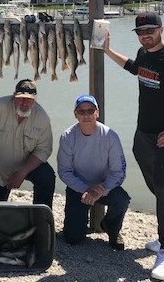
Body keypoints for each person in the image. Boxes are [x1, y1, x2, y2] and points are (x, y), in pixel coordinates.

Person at [104, 12, 164, 280]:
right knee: (158, 187)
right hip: (144, 135)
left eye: (150, 30)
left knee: (163, 187)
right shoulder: (144, 54)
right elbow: (134, 67)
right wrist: (107, 50)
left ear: (161, 29)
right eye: (141, 31)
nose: (146, 35)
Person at [57, 94, 130, 250]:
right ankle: (78, 225)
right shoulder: (67, 137)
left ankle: (111, 227)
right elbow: (64, 172)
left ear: (97, 113)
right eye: (81, 111)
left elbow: (119, 172)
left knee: (122, 199)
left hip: (104, 186)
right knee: (73, 238)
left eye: (90, 111)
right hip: (79, 188)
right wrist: (85, 188)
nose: (86, 115)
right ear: (75, 114)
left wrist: (100, 191)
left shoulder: (111, 136)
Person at [0, 79, 56, 207]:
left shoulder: (42, 117)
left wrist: (23, 172)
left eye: (29, 99)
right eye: (21, 98)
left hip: (27, 164)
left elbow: (43, 149)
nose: (24, 103)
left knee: (47, 177)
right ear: (13, 96)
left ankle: (40, 219)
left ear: (35, 100)